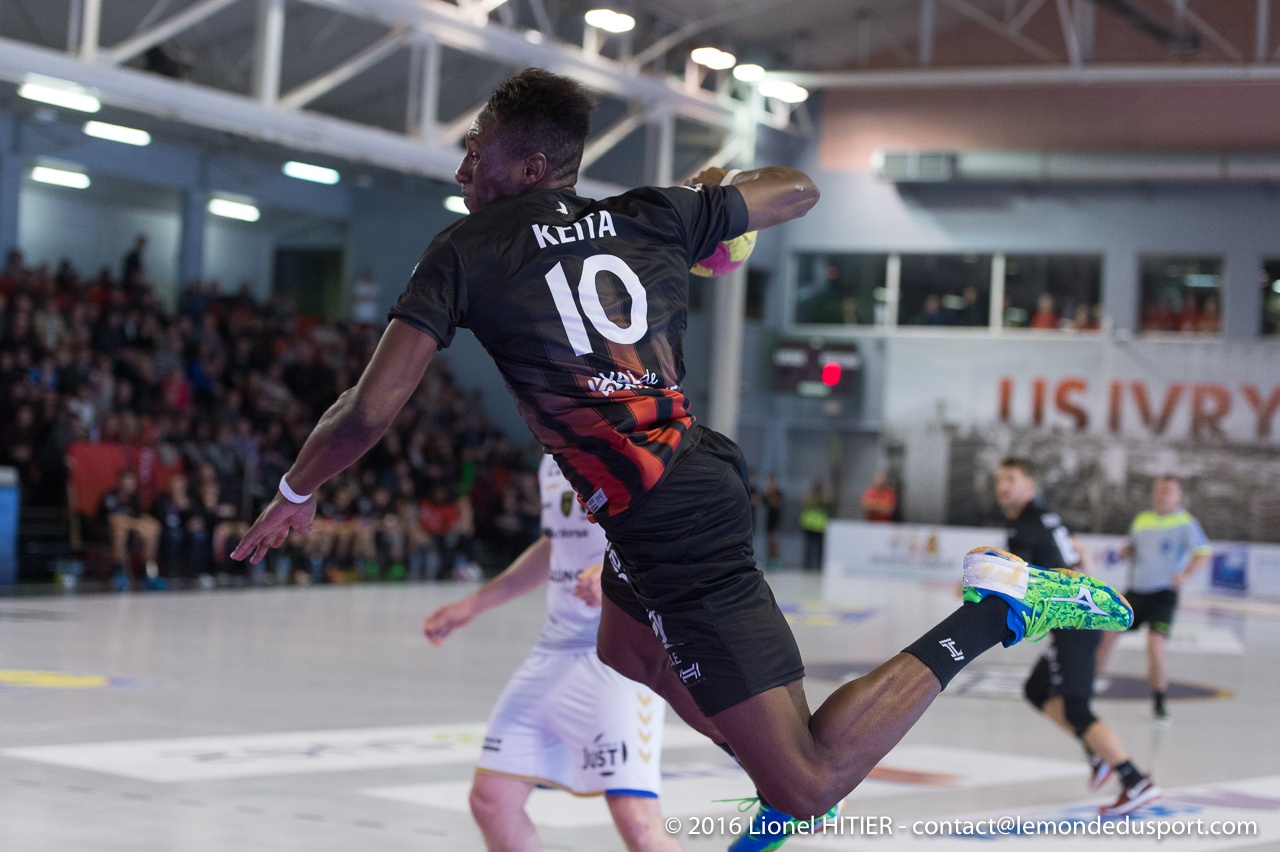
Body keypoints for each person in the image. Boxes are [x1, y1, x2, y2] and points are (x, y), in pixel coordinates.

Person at [232, 68, 1133, 850]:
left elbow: (370, 409)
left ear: (532, 166)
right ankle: (773, 752)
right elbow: (797, 190)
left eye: (479, 152)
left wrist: (295, 489)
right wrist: (712, 197)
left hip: (672, 517)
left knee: (809, 785)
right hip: (670, 491)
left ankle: (995, 612)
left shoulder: (465, 251)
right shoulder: (651, 216)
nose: (464, 168)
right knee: (624, 648)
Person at [423, 455, 679, 852]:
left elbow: (674, 541)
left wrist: (615, 575)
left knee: (638, 822)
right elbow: (556, 544)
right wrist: (473, 605)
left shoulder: (633, 447)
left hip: (619, 652)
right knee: (492, 801)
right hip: (554, 650)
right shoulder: (551, 460)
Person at [995, 457, 1161, 817]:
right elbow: (1079, 559)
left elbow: (1016, 582)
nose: (1002, 487)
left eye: (1011, 479)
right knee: (1037, 689)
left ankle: (1135, 781)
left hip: (1075, 622)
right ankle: (1095, 751)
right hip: (1078, 615)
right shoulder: (1046, 519)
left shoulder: (1025, 526)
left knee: (1077, 708)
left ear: (1029, 486)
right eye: (999, 480)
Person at [1096, 475, 1211, 722]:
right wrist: (1122, 553)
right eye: (1159, 490)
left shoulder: (1186, 523)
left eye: (1168, 491)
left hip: (1163, 594)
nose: (1162, 495)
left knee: (1155, 645)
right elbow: (1133, 548)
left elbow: (1203, 553)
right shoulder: (1142, 519)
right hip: (1137, 591)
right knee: (1106, 634)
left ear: (1178, 496)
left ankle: (1159, 700)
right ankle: (1088, 688)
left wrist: (1185, 574)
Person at [799, 479, 831, 571]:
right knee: (809, 547)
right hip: (810, 525)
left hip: (818, 526)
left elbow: (829, 501)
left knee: (818, 549)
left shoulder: (823, 499)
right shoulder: (810, 497)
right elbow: (803, 502)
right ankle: (807, 566)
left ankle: (818, 566)